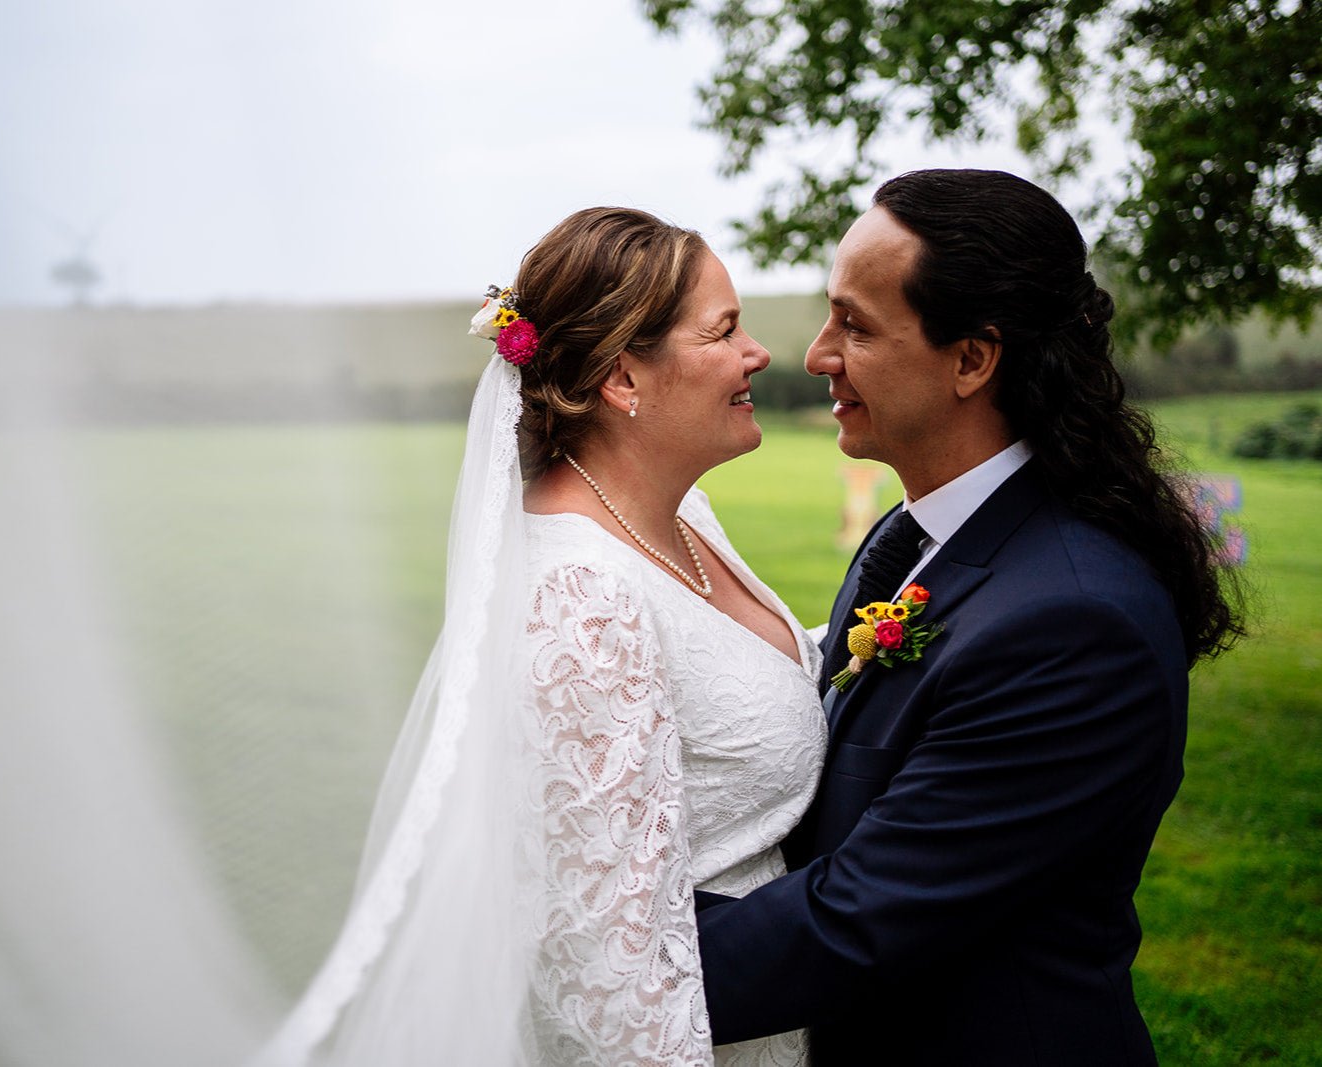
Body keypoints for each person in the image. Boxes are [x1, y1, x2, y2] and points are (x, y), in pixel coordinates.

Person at [693, 169, 1244, 1066]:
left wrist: (595, 959)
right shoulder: (922, 534)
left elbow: (859, 918)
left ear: (971, 359)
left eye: (856, 326)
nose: (817, 355)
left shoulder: (1074, 624)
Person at [260, 207, 827, 1066]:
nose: (758, 354)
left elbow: (722, 679)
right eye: (724, 331)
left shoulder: (684, 520)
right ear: (622, 379)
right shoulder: (579, 596)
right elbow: (605, 970)